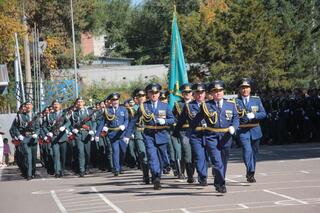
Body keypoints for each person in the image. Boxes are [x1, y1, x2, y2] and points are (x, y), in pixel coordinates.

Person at [125, 83, 175, 190]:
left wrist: (165, 121)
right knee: (152, 157)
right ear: (148, 94)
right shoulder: (143, 106)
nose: (154, 94)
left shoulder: (164, 106)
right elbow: (134, 121)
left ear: (159, 93)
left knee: (162, 158)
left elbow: (173, 119)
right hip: (149, 135)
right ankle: (156, 177)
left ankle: (158, 175)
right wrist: (127, 135)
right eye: (151, 92)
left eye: (156, 92)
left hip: (162, 134)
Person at [235, 78, 266, 183]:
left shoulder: (256, 100)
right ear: (239, 89)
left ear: (250, 89)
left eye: (247, 87)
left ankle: (250, 173)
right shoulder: (235, 101)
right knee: (247, 150)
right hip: (243, 131)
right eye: (243, 88)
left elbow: (263, 114)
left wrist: (254, 115)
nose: (245, 90)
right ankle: (250, 171)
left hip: (255, 129)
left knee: (254, 153)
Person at [96, 93, 129, 176]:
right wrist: (97, 134)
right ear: (111, 101)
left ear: (118, 100)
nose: (115, 102)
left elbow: (127, 120)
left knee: (123, 151)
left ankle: (120, 166)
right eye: (113, 100)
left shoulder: (123, 109)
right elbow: (102, 123)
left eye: (116, 100)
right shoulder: (107, 110)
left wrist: (124, 126)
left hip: (122, 133)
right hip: (113, 134)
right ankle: (116, 169)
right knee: (115, 151)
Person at [172, 83, 195, 182]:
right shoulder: (178, 104)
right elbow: (173, 117)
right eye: (185, 92)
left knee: (195, 153)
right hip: (183, 131)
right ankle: (189, 175)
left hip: (195, 131)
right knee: (186, 152)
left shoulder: (196, 103)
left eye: (189, 92)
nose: (187, 94)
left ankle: (191, 172)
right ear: (182, 93)